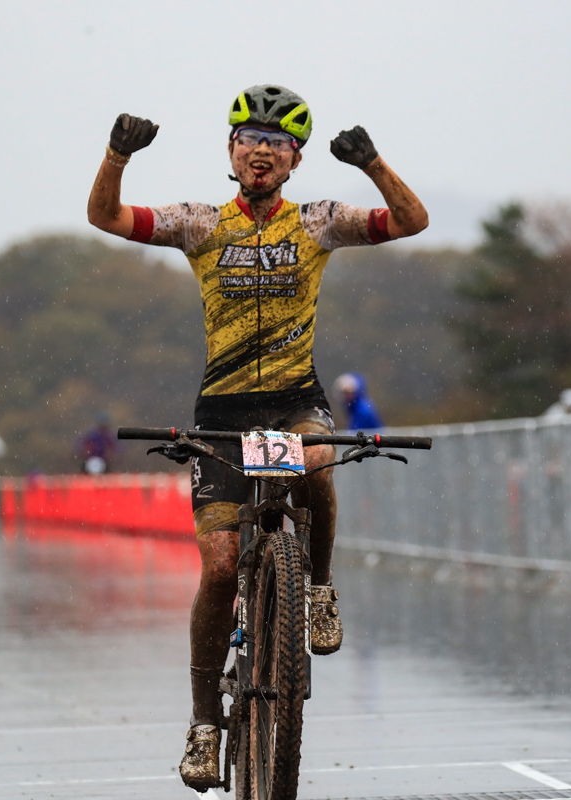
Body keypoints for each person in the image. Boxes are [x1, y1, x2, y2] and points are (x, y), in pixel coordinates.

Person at [87, 84, 428, 790]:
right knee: (216, 569)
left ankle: (320, 588)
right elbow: (106, 216)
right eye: (250, 138)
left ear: (296, 159)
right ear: (231, 151)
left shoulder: (318, 221)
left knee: (320, 467)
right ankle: (205, 724)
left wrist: (372, 163)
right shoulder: (201, 222)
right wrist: (118, 154)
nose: (262, 149)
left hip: (294, 403)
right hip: (224, 415)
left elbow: (411, 220)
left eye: (278, 141)